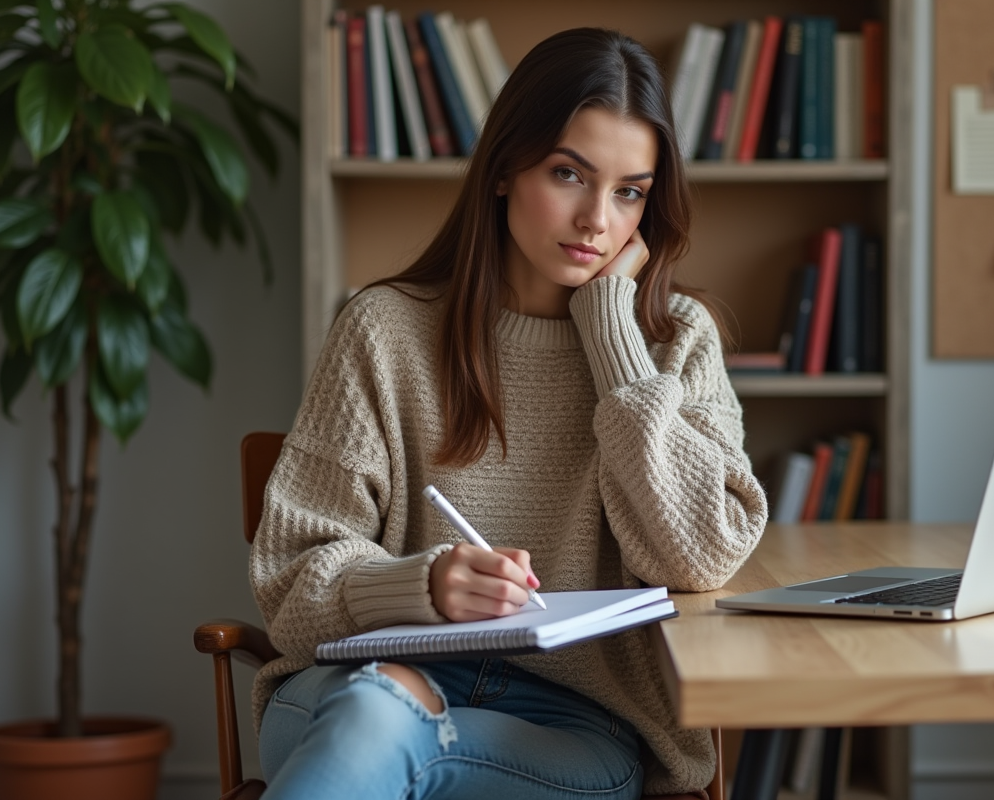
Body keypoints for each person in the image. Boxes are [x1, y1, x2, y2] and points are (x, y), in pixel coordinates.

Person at [250, 26, 767, 800]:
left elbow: (701, 556)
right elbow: (291, 585)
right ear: (502, 171)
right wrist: (422, 588)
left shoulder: (675, 340)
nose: (598, 219)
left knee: (393, 737)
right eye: (569, 173)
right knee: (378, 714)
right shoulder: (384, 328)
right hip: (357, 688)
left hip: (573, 723)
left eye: (629, 191)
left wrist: (611, 330)